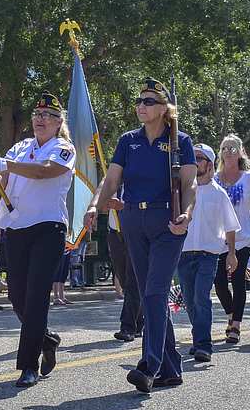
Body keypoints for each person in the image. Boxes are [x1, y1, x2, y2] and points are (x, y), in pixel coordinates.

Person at [84, 77, 197, 393]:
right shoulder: (127, 140)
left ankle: (149, 365)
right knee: (151, 294)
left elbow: (189, 185)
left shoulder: (180, 142)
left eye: (149, 101)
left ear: (164, 108)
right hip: (133, 219)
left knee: (154, 291)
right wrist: (96, 205)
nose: (141, 106)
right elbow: (111, 180)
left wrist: (186, 214)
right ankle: (172, 368)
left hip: (168, 221)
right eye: (139, 101)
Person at [0, 91, 76, 388]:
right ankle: (46, 339)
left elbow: (44, 172)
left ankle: (28, 366)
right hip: (18, 227)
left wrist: (4, 166)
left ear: (59, 122)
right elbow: (5, 182)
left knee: (35, 298)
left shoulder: (64, 149)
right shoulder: (19, 148)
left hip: (48, 229)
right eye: (36, 114)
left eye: (47, 115)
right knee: (17, 297)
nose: (39, 119)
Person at [176, 144, 240, 362]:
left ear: (210, 164)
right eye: (191, 158)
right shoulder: (180, 191)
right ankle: (199, 338)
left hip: (208, 255)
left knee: (202, 297)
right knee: (191, 301)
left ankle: (204, 344)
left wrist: (231, 254)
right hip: (183, 254)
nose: (194, 162)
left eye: (199, 158)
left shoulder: (219, 194)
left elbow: (231, 226)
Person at [212, 134, 250, 344]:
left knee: (238, 280)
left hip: (243, 238)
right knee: (219, 283)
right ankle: (231, 315)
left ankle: (236, 326)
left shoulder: (248, 178)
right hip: (219, 239)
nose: (228, 152)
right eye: (224, 148)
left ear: (240, 153)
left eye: (232, 148)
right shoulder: (214, 177)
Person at [106, 190, 144, 342]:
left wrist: (122, 206)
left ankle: (127, 327)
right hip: (115, 234)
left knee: (132, 282)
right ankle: (139, 320)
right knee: (123, 282)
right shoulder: (112, 181)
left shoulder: (137, 176)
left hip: (134, 233)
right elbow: (102, 204)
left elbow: (145, 207)